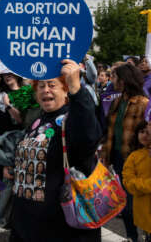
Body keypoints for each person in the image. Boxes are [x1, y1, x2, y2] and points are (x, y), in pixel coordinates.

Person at [5, 59, 102, 242]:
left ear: (65, 90)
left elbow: (89, 138)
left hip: (61, 226)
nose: (45, 90)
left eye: (52, 85)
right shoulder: (38, 121)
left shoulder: (72, 117)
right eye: (40, 86)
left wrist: (77, 89)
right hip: (28, 222)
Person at [101, 63, 149, 242]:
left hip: (136, 160)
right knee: (122, 203)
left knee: (134, 204)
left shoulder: (143, 103)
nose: (111, 79)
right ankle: (131, 236)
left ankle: (143, 234)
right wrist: (105, 155)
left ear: (124, 80)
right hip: (117, 158)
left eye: (114, 76)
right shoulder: (116, 101)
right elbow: (109, 131)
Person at [123, 120, 151, 242]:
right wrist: (148, 185)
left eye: (148, 132)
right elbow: (128, 182)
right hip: (144, 209)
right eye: (141, 131)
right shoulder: (133, 157)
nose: (144, 135)